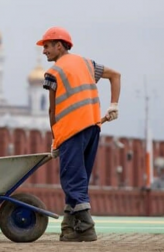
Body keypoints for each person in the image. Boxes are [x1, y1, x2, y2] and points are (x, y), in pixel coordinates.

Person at [37, 26, 121, 242]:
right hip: (93, 128)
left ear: (59, 45)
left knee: (72, 179)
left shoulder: (52, 73)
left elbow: (52, 110)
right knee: (78, 179)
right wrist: (113, 105)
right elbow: (116, 75)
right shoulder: (87, 64)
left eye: (47, 46)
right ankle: (69, 227)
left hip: (71, 131)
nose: (44, 51)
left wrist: (55, 140)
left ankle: (86, 227)